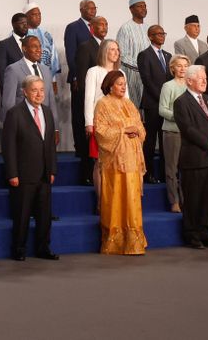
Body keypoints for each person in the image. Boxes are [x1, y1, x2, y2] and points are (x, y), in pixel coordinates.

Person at [1, 74, 58, 261]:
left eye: (42, 90)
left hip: (44, 173)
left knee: (44, 216)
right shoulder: (14, 113)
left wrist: (52, 170)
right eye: (34, 90)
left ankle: (44, 248)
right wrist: (12, 173)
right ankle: (19, 249)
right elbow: (9, 147)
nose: (39, 94)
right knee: (22, 215)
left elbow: (50, 144)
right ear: (24, 92)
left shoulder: (48, 112)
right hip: (23, 174)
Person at [93, 70, 147, 255]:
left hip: (132, 159)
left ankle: (134, 241)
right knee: (116, 199)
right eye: (119, 84)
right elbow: (100, 131)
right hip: (115, 162)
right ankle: (115, 242)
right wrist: (124, 130)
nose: (123, 87)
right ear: (110, 85)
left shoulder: (129, 103)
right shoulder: (103, 104)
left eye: (124, 84)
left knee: (132, 198)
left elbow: (140, 126)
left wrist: (137, 132)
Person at [173, 65, 208, 249]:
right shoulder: (181, 102)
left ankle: (205, 232)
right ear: (189, 81)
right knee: (193, 199)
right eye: (201, 78)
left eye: (205, 78)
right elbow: (188, 129)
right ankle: (191, 234)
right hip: (195, 158)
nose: (205, 81)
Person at [73, 14, 108, 181]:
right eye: (101, 24)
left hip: (108, 105)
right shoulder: (85, 47)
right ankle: (87, 175)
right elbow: (81, 77)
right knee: (89, 141)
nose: (104, 27)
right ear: (92, 28)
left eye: (106, 24)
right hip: (91, 101)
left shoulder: (109, 47)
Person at [82, 39, 122, 188]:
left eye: (117, 50)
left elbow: (127, 100)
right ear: (104, 51)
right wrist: (89, 123)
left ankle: (114, 200)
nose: (116, 52)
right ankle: (100, 202)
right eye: (112, 49)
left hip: (118, 124)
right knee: (99, 162)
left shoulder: (121, 72)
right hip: (100, 122)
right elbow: (89, 99)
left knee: (117, 161)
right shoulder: (94, 71)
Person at [136, 25, 171, 183]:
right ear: (150, 36)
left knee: (166, 142)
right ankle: (147, 173)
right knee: (150, 141)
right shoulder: (144, 55)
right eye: (158, 34)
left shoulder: (169, 56)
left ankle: (166, 174)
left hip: (168, 106)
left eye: (163, 33)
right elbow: (147, 80)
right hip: (152, 104)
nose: (162, 36)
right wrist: (163, 98)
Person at [158, 55, 191, 213]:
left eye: (185, 65)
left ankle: (186, 200)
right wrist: (179, 117)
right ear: (173, 69)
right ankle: (174, 201)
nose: (183, 68)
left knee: (187, 169)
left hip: (189, 134)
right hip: (172, 132)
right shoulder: (168, 86)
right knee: (172, 169)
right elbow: (162, 109)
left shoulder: (191, 86)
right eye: (179, 65)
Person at [1, 36, 58, 124]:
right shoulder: (13, 70)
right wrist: (11, 127)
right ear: (24, 49)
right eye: (34, 46)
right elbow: (9, 103)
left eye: (40, 46)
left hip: (44, 124)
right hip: (23, 124)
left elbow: (51, 102)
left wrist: (55, 128)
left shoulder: (46, 70)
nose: (39, 50)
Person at [63, 0, 97, 106]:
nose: (93, 11)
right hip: (80, 78)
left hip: (95, 77)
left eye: (94, 8)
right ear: (81, 10)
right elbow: (71, 54)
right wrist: (76, 76)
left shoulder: (97, 27)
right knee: (79, 112)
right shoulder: (73, 27)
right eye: (90, 8)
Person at [23, 3, 60, 94]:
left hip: (46, 79)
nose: (38, 17)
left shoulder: (46, 35)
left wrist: (53, 81)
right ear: (26, 16)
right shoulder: (20, 34)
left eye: (39, 14)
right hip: (28, 81)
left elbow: (52, 59)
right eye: (34, 14)